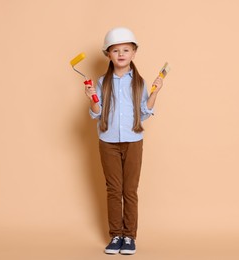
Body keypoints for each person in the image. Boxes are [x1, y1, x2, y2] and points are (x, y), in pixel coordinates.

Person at [84, 27, 163, 255]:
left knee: (130, 190)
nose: (121, 54)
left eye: (126, 50)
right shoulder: (102, 82)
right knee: (113, 189)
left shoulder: (139, 82)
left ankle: (129, 237)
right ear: (108, 54)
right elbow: (96, 114)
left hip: (133, 141)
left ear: (134, 53)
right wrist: (92, 99)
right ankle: (116, 234)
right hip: (107, 141)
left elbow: (145, 112)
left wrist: (156, 93)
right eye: (115, 50)